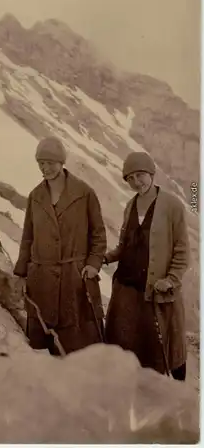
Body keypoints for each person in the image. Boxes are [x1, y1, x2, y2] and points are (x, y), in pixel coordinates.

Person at [13, 136, 107, 355]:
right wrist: (20, 273)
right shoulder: (35, 196)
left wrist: (93, 264)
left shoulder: (84, 193)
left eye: (50, 163)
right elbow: (28, 237)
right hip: (41, 280)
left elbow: (99, 234)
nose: (45, 168)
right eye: (41, 163)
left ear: (61, 162)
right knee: (41, 345)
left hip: (73, 279)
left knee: (75, 346)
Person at [104, 152, 189, 380]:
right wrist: (107, 257)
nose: (136, 182)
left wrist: (170, 280)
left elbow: (182, 251)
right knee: (127, 349)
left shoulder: (172, 206)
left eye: (140, 175)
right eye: (130, 178)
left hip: (157, 292)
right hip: (127, 291)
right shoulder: (130, 206)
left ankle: (173, 400)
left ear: (151, 173)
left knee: (164, 352)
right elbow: (124, 247)